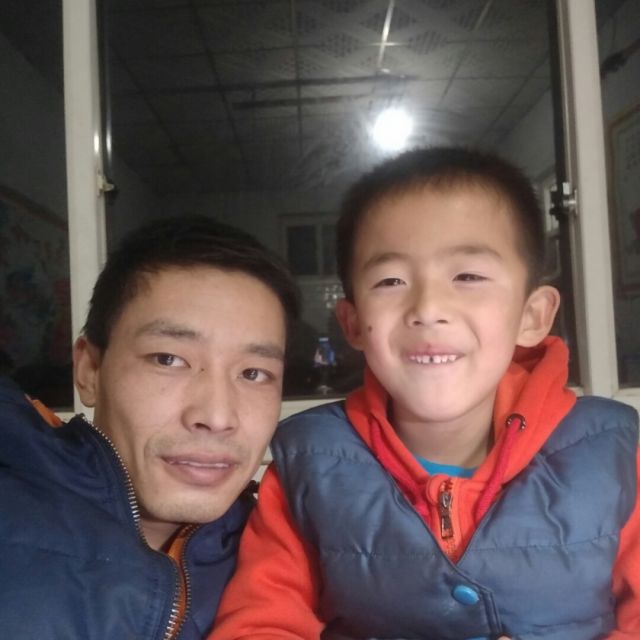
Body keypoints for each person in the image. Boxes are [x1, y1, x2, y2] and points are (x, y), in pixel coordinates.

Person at [211, 147, 640, 639]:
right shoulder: (306, 466)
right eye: (391, 280)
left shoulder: (611, 455)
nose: (428, 308)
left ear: (532, 316)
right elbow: (259, 624)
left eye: (468, 276)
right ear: (352, 323)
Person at [0, 216, 299, 638]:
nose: (217, 417)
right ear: (90, 370)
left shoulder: (296, 558)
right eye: (168, 360)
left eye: (253, 373)